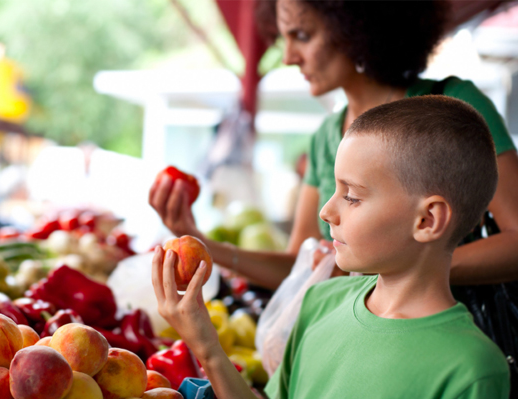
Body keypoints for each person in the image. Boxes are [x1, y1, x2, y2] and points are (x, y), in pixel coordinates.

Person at [151, 96, 510, 398]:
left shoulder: (472, 370)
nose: (326, 211)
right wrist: (206, 346)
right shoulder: (319, 302)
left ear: (427, 220)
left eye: (351, 196)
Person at [148, 0, 518, 289]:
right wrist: (202, 244)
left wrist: (408, 267)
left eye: (303, 36)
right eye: (284, 39)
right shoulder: (327, 136)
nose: (289, 56)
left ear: (359, 29)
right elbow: (301, 267)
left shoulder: (456, 107)